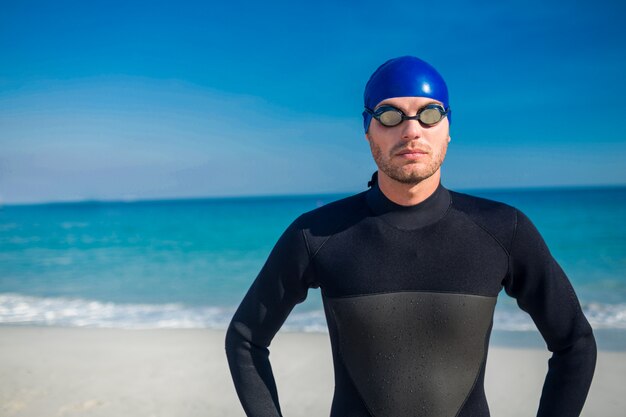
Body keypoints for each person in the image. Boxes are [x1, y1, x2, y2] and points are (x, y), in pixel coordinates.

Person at [224, 55, 597, 417]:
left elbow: (575, 343)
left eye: (430, 114)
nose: (411, 130)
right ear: (368, 130)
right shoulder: (317, 235)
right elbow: (245, 338)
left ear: (449, 129)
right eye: (390, 115)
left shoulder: (503, 229)